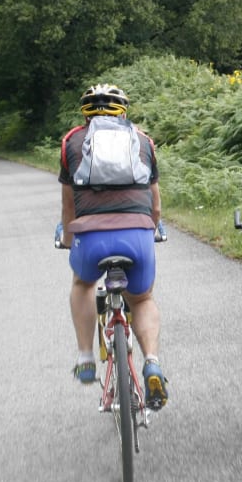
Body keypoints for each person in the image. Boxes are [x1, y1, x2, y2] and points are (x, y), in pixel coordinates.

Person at [59, 83, 168, 409]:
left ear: (85, 113)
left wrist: (68, 239)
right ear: (123, 112)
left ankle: (85, 358)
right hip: (137, 234)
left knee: (82, 283)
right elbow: (155, 205)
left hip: (91, 238)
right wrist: (152, 230)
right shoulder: (143, 141)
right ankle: (152, 363)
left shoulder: (72, 142)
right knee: (142, 298)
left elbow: (69, 205)